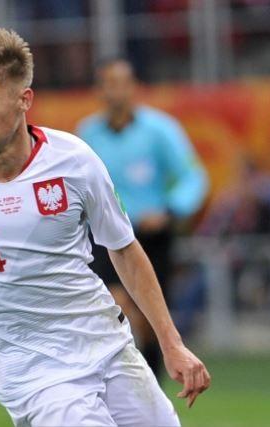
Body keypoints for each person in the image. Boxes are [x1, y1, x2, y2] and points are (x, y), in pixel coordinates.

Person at [0, 28, 209, 426]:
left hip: (107, 345)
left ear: (23, 100)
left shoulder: (75, 160)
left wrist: (172, 344)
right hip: (32, 371)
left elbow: (123, 247)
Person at [77, 58, 209, 379]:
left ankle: (151, 384)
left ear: (134, 87)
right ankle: (113, 377)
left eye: (122, 82)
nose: (115, 91)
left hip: (152, 235)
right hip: (106, 235)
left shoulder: (160, 130)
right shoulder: (88, 134)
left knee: (152, 320)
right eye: (108, 83)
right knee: (116, 304)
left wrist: (169, 210)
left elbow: (192, 176)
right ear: (99, 90)